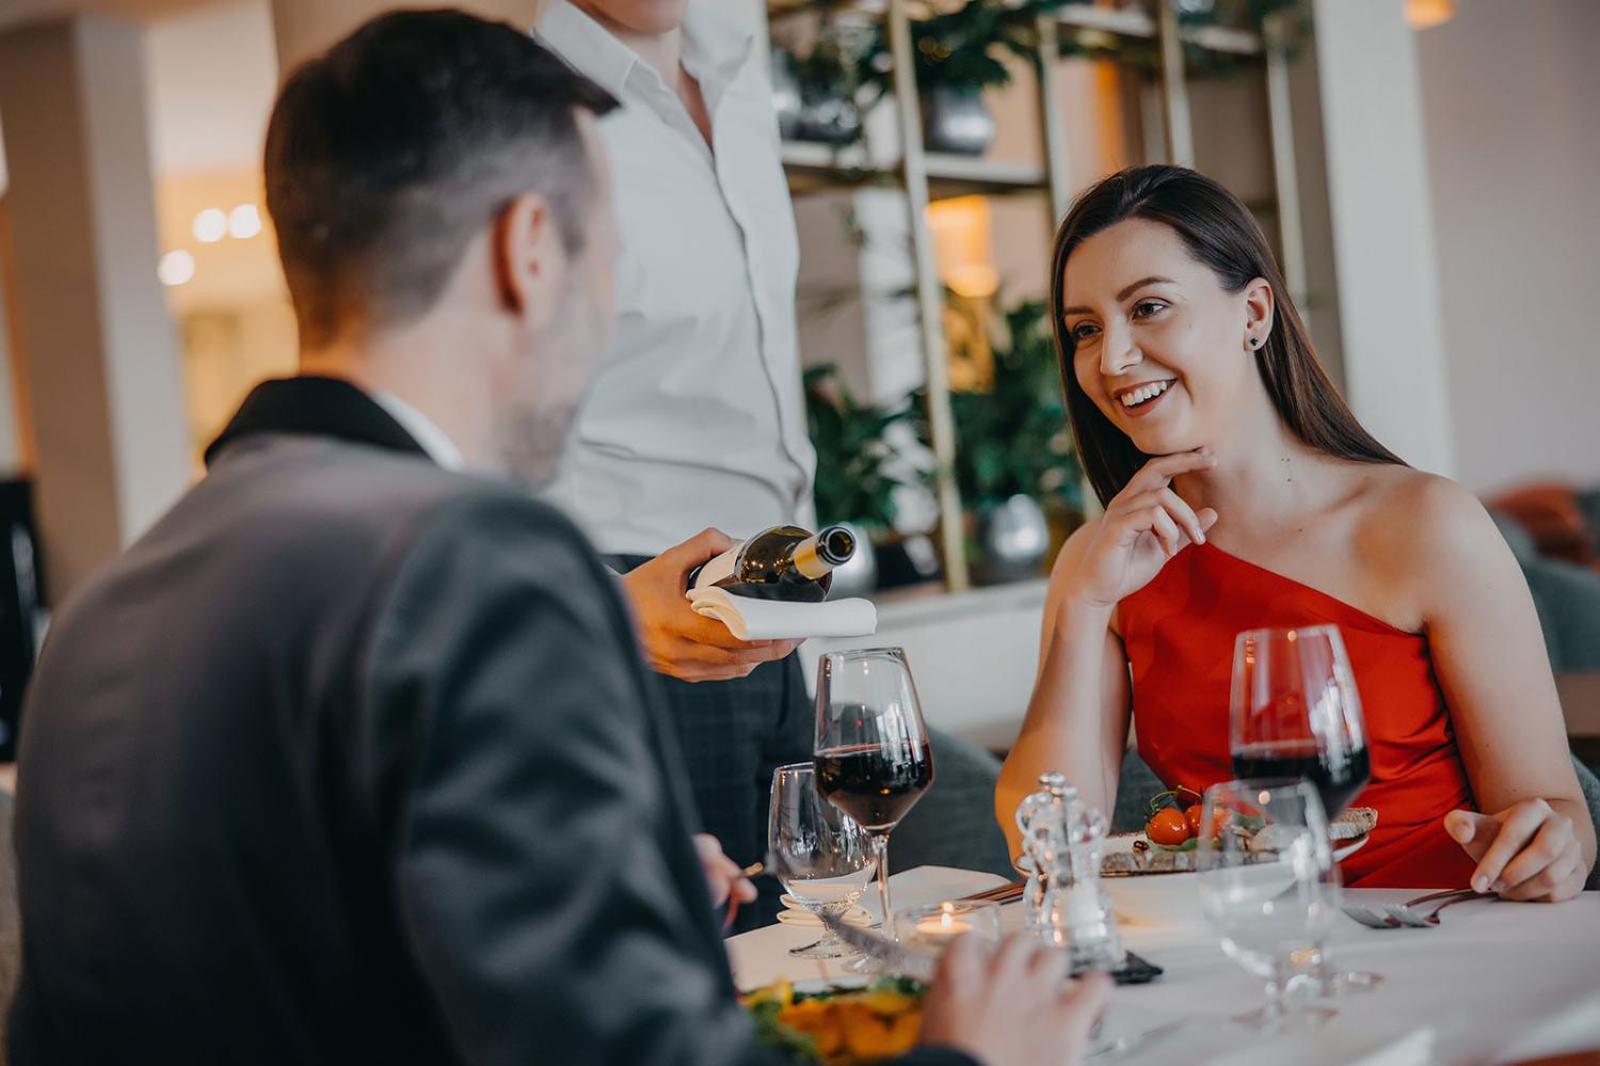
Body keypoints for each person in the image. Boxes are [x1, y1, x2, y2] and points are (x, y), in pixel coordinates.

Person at [8, 11, 1109, 1064]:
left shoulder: (102, 609)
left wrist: (592, 890)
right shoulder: (475, 570)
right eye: (603, 253)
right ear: (529, 248)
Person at [997, 165, 1595, 900]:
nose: (1111, 359)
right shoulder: (1101, 562)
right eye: (1085, 330)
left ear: (1253, 314)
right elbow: (1042, 846)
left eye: (1148, 307)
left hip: (1442, 935)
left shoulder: (1425, 525)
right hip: (1240, 953)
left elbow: (1554, 810)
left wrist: (1552, 848)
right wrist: (1086, 610)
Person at [534, 0, 817, 927]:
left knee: (810, 947)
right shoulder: (535, 105)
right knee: (706, 969)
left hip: (775, 586)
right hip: (646, 602)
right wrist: (590, 611)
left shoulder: (738, 59)